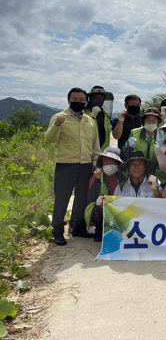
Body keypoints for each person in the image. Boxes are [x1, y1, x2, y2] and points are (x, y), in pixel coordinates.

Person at [45, 87, 101, 245]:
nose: (78, 101)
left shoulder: (90, 121)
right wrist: (56, 125)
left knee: (82, 198)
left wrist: (96, 163)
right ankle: (57, 231)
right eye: (75, 99)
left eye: (81, 99)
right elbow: (49, 139)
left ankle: (78, 228)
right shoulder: (59, 117)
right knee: (62, 199)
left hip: (86, 165)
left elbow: (95, 145)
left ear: (86, 101)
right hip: (65, 165)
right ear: (68, 100)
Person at [85, 147, 123, 242]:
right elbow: (90, 197)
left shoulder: (123, 177)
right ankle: (99, 230)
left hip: (119, 206)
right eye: (106, 164)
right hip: (102, 208)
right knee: (98, 208)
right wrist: (97, 180)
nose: (109, 166)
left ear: (117, 164)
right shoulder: (96, 178)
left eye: (112, 163)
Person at [84, 86, 113, 151]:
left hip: (102, 152)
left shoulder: (106, 115)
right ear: (90, 98)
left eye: (101, 97)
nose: (99, 99)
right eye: (95, 97)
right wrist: (92, 116)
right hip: (87, 153)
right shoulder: (83, 113)